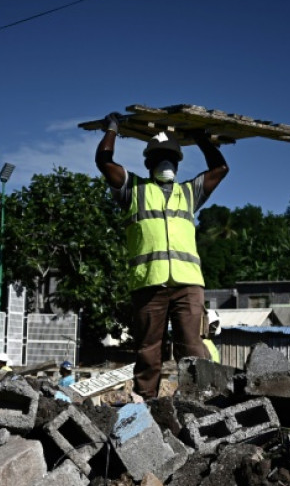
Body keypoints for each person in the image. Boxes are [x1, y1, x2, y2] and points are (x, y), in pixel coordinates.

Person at [96, 112, 229, 399]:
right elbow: (104, 162)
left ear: (178, 164)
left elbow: (220, 168)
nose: (165, 163)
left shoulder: (189, 192)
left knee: (192, 347)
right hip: (149, 283)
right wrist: (112, 129)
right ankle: (146, 402)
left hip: (187, 284)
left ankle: (197, 400)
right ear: (148, 163)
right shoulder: (133, 190)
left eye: (170, 158)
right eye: (158, 158)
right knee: (148, 350)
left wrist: (201, 138)